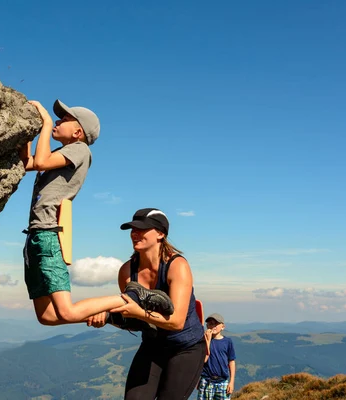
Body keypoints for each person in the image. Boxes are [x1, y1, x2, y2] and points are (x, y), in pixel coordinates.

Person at [19, 101, 173, 326]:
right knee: (47, 317)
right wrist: (28, 134)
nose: (59, 121)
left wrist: (46, 123)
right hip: (34, 237)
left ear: (77, 132)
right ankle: (107, 310)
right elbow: (28, 163)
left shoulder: (80, 150)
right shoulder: (63, 152)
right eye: (58, 119)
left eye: (64, 119)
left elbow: (40, 161)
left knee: (67, 312)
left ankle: (133, 298)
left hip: (48, 236)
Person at [87, 208, 206, 399]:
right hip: (153, 346)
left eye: (142, 229)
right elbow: (135, 321)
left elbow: (177, 322)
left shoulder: (177, 266)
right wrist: (108, 318)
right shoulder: (127, 271)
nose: (135, 233)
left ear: (160, 233)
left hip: (186, 347)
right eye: (132, 229)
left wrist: (138, 312)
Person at [197, 313, 236, 400]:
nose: (212, 326)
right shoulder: (202, 341)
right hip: (207, 380)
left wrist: (231, 381)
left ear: (223, 327)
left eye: (216, 323)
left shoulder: (228, 342)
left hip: (222, 381)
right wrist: (207, 340)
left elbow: (231, 361)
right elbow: (203, 360)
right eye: (210, 323)